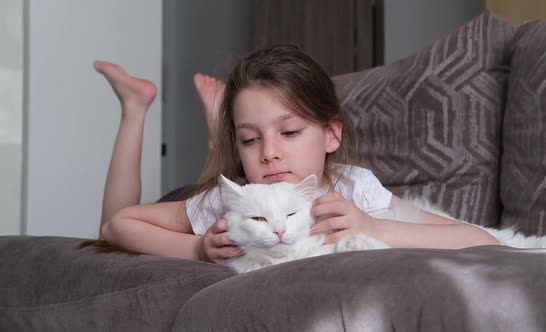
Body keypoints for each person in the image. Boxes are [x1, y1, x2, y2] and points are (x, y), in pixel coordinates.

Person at [95, 45, 499, 263]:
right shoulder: (224, 199)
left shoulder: (354, 187)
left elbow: (475, 238)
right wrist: (197, 248)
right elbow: (117, 226)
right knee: (102, 229)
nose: (270, 154)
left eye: (289, 132)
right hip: (225, 196)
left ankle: (220, 126)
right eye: (250, 141)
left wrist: (373, 226)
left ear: (331, 135)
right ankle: (135, 107)